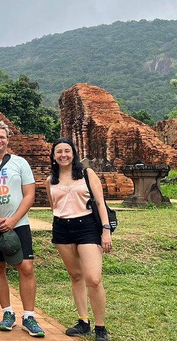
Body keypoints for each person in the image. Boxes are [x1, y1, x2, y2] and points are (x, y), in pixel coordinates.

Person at [0, 121, 45, 338]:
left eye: (2, 137)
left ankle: (29, 315)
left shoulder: (20, 164)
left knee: (26, 267)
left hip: (18, 223)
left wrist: (13, 219)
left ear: (7, 140)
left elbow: (29, 195)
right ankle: (7, 312)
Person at [45, 138, 111, 341]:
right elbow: (53, 205)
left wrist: (106, 230)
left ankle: (100, 326)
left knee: (93, 278)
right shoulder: (51, 180)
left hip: (87, 227)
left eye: (67, 151)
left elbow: (100, 202)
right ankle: (84, 321)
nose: (63, 155)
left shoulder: (86, 173)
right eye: (59, 152)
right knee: (75, 275)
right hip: (62, 228)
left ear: (73, 153)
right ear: (54, 156)